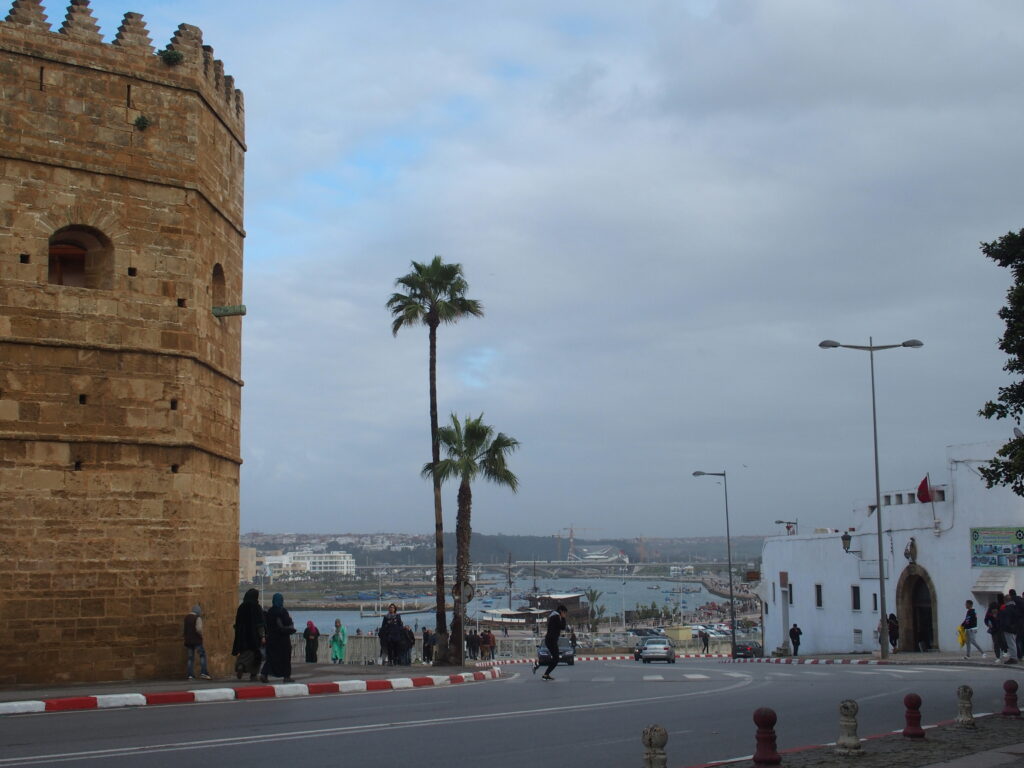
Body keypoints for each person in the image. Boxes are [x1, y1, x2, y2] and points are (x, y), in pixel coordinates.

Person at [261, 593, 296, 683]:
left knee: (271, 658)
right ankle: (286, 676)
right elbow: (287, 623)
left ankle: (264, 674)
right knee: (285, 658)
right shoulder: (282, 611)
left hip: (272, 639)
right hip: (282, 640)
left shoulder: (270, 612)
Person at [231, 588, 266, 680]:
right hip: (254, 637)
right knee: (256, 655)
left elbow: (237, 623)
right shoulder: (257, 607)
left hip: (242, 635)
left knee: (244, 653)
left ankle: (241, 665)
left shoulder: (241, 607)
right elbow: (260, 624)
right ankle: (253, 675)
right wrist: (262, 636)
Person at [534, 604, 568, 680]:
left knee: (555, 658)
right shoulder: (556, 617)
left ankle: (545, 673)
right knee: (556, 659)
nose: (565, 614)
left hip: (550, 640)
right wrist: (563, 618)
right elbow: (562, 627)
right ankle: (544, 673)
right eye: (565, 613)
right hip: (551, 640)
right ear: (561, 611)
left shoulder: (553, 616)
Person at [183, 604, 211, 680]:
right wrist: (201, 635)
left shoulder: (186, 618)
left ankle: (190, 675)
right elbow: (198, 629)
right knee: (202, 655)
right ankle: (203, 673)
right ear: (198, 611)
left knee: (190, 658)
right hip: (196, 640)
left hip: (188, 640)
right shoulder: (197, 618)